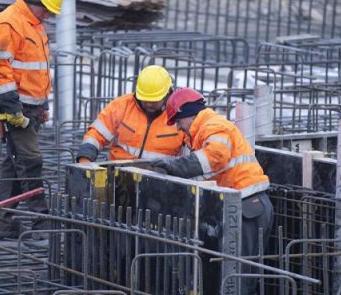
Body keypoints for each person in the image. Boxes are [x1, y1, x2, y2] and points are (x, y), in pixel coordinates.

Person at [151, 88, 273, 294]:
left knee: (239, 277)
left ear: (187, 114)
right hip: (241, 206)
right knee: (234, 275)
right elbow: (209, 171)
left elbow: (215, 156)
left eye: (178, 122)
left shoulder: (213, 125)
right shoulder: (200, 133)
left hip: (248, 206)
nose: (179, 128)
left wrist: (177, 167)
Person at [0, 0, 63, 240]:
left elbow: (38, 69)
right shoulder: (7, 23)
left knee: (14, 164)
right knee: (31, 162)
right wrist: (12, 111)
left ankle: (4, 224)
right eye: (48, 10)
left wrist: (43, 104)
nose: (49, 16)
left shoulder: (35, 24)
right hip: (15, 108)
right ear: (35, 2)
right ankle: (41, 221)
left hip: (31, 107)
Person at [74, 65, 185, 163]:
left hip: (160, 181)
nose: (149, 104)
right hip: (117, 177)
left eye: (154, 101)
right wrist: (85, 158)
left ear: (167, 94)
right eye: (144, 99)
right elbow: (96, 135)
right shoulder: (122, 106)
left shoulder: (181, 116)